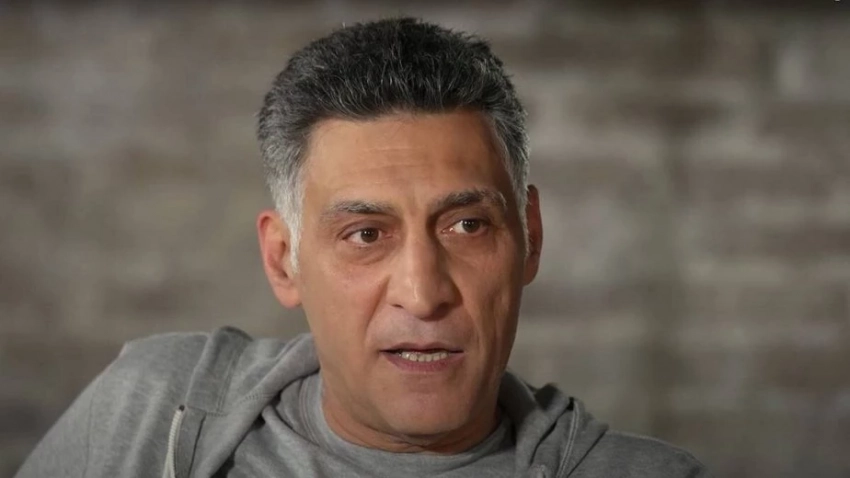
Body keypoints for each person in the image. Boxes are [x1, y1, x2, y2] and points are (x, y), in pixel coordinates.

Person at [16, 17, 710, 478]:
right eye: (366, 235)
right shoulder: (150, 415)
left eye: (467, 225)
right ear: (283, 259)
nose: (423, 293)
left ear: (530, 237)